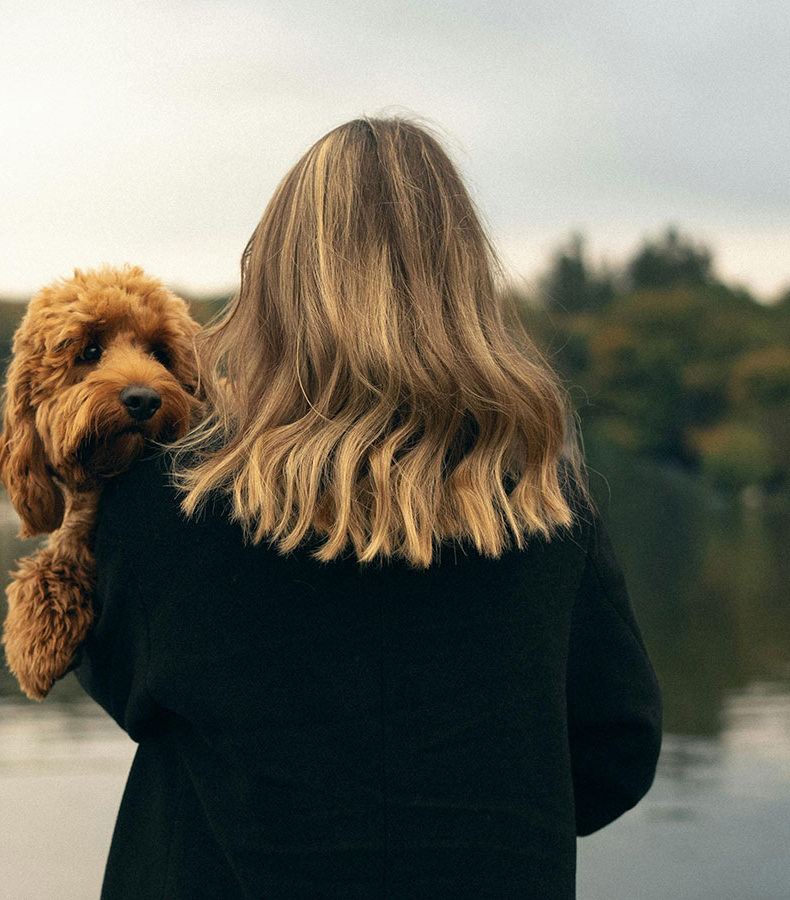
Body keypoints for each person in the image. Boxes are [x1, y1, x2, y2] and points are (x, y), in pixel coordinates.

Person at [74, 117, 661, 900]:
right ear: (461, 286)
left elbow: (122, 681)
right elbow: (615, 749)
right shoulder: (547, 507)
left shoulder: (162, 498)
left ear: (272, 285)